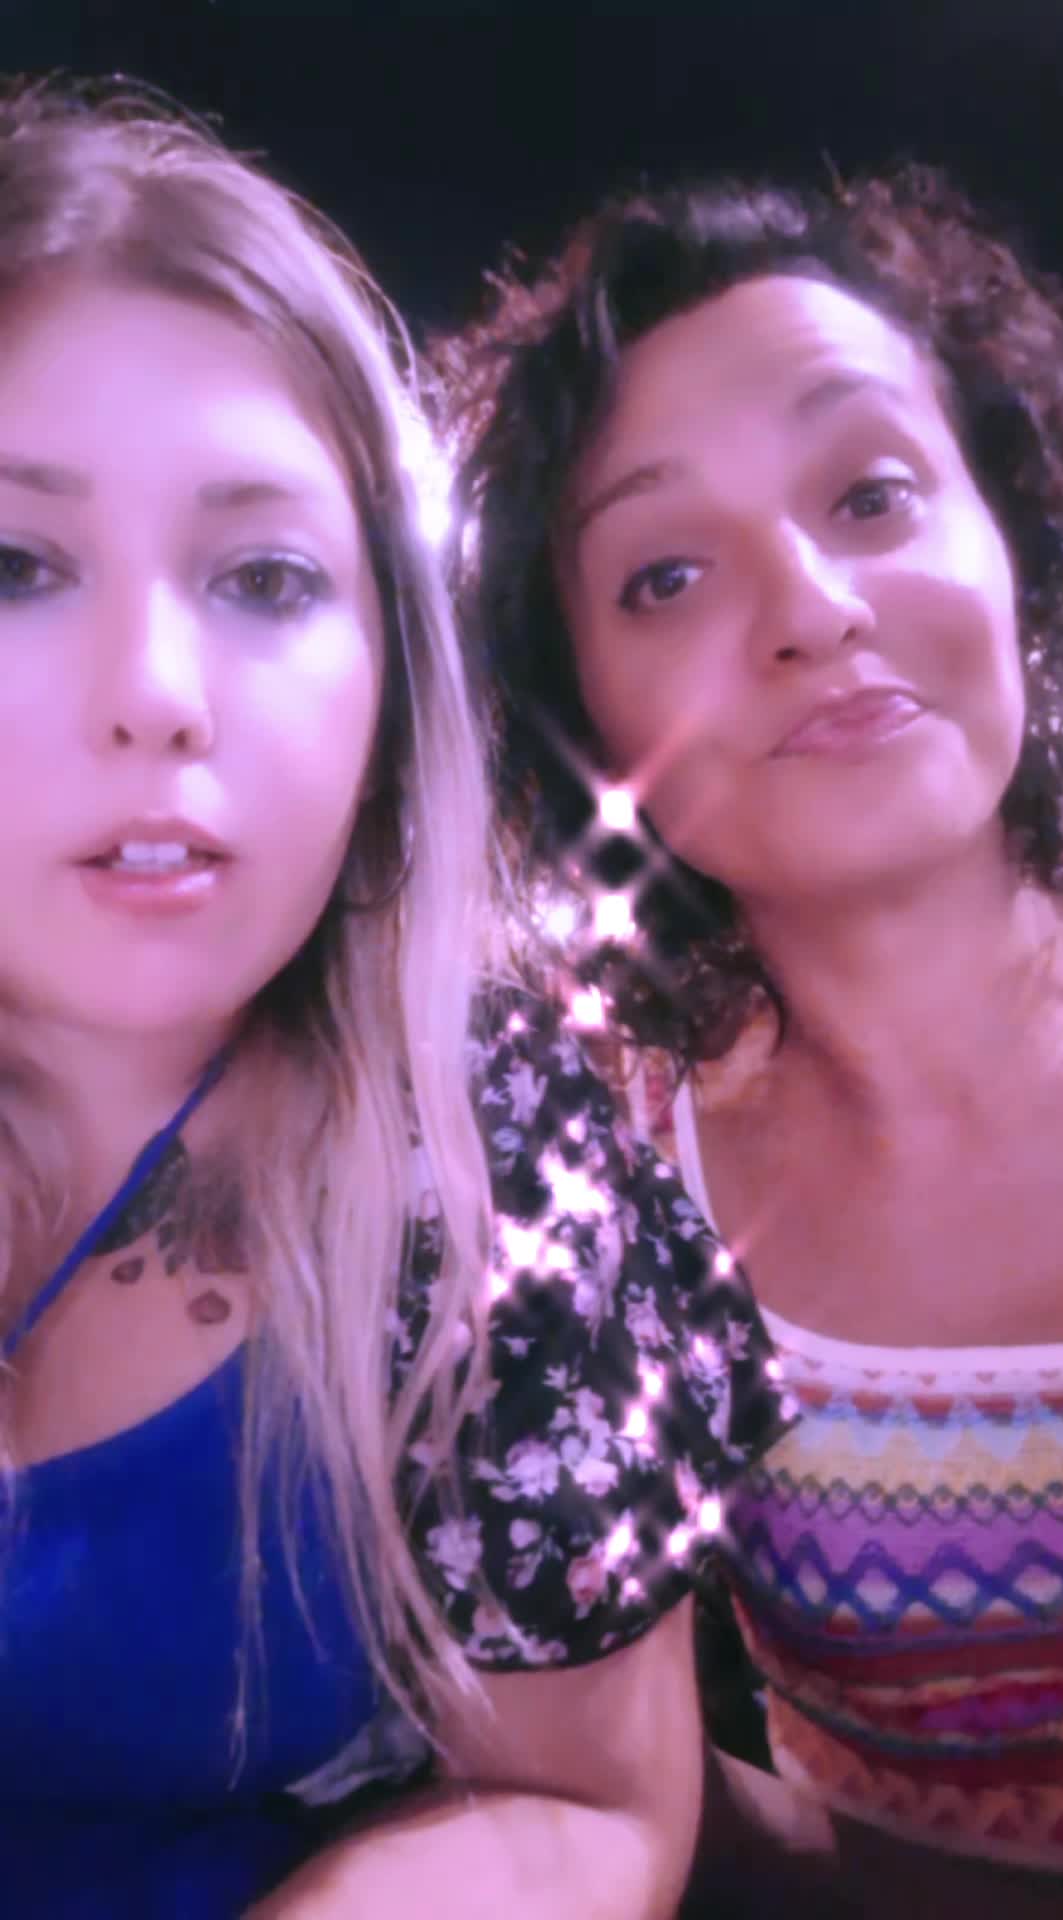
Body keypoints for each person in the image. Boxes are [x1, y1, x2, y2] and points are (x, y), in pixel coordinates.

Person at [0, 80, 791, 1920]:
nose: (157, 692)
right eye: (14, 565)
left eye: (267, 575)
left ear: (392, 683)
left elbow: (585, 1807)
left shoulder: (492, 1152)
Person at [444, 165, 1063, 1903]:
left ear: (1008, 529)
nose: (810, 606)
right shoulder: (601, 1179)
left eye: (873, 492)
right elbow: (624, 1792)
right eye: (665, 575)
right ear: (580, 716)